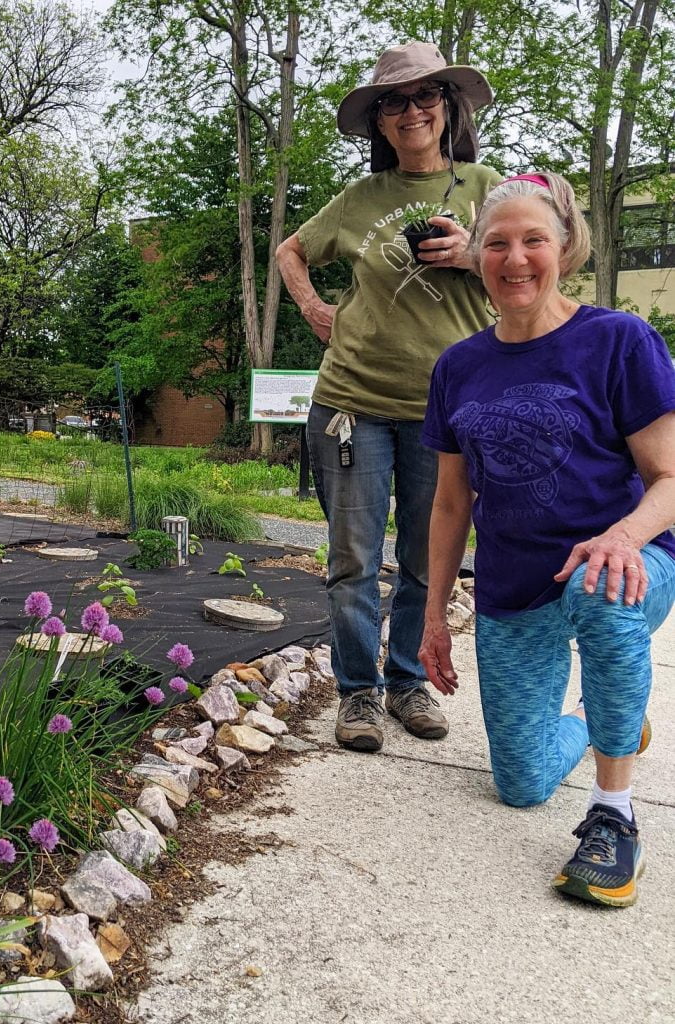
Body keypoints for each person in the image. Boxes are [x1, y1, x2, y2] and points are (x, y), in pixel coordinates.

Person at [420, 171, 675, 907]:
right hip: (514, 585)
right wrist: (435, 616)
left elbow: (668, 479)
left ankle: (613, 816)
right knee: (522, 785)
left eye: (533, 239)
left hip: (630, 565)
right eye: (495, 243)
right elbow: (447, 504)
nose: (515, 258)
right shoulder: (457, 366)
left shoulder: (617, 340)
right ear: (475, 256)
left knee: (600, 585)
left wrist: (621, 538)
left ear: (563, 248)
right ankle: (609, 720)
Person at [276, 42, 501, 752]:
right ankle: (357, 695)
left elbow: (545, 258)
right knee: (351, 560)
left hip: (447, 413)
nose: (410, 111)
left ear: (448, 106)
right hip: (352, 401)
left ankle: (405, 681)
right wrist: (314, 308)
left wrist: (472, 253)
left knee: (425, 560)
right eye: (393, 102)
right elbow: (289, 249)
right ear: (378, 121)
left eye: (424, 96)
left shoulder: (486, 188)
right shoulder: (359, 201)